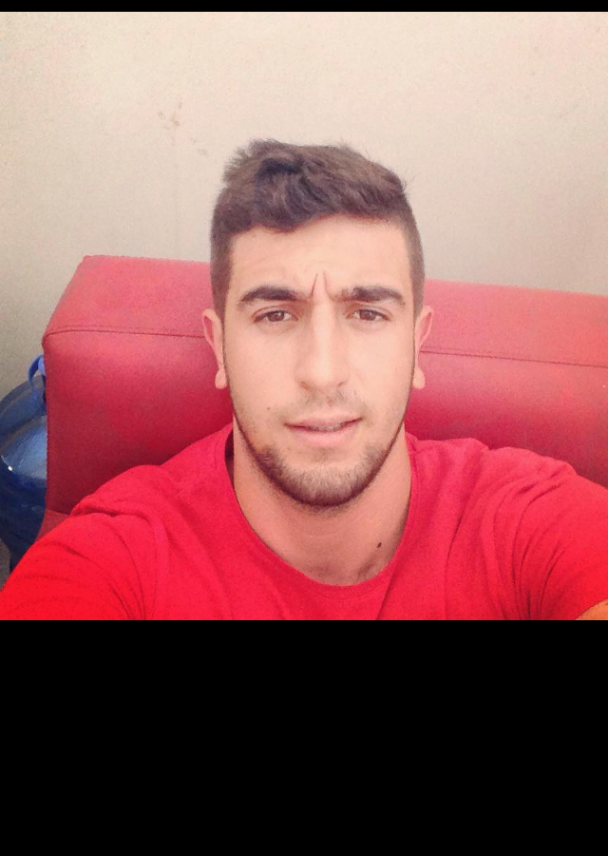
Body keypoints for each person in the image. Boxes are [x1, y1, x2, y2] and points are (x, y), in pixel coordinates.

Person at [1, 140, 607, 620]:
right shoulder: (115, 561)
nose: (322, 372)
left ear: (417, 345)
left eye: (367, 314)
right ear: (219, 347)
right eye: (275, 315)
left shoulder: (527, 521)